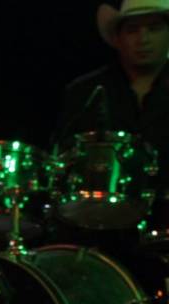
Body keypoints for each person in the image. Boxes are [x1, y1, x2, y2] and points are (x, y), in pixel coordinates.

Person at [55, 0, 169, 174]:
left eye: (154, 29)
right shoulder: (84, 91)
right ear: (117, 38)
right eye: (132, 30)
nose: (143, 39)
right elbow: (62, 159)